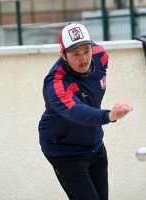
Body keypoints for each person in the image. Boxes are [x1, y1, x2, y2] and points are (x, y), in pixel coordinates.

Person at [38, 23, 133, 200]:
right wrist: (108, 116)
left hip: (95, 143)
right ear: (62, 55)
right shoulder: (56, 84)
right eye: (75, 54)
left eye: (86, 50)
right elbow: (76, 112)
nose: (83, 59)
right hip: (65, 151)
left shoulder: (100, 56)